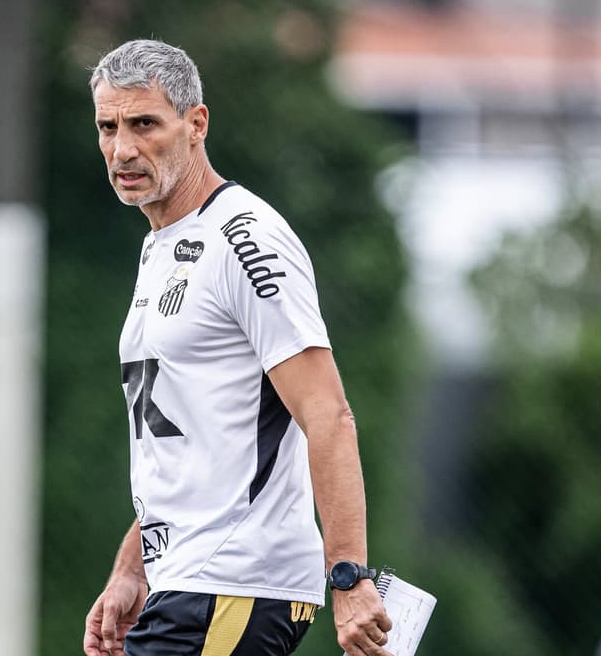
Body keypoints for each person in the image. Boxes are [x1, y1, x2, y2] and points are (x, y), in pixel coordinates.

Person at [82, 38, 393, 656]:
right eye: (108, 127)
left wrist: (351, 576)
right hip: (190, 582)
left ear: (196, 124)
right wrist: (132, 568)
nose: (123, 148)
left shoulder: (245, 240)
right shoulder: (162, 245)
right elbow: (197, 446)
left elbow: (328, 415)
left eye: (145, 124)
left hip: (234, 581)